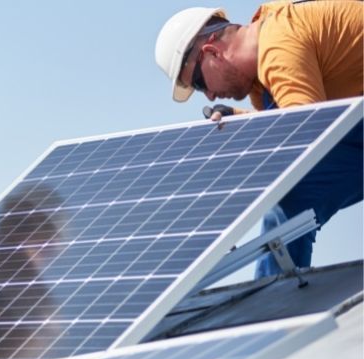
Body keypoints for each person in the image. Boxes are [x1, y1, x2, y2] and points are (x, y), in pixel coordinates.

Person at [155, 1, 363, 278]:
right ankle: (280, 300)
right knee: (293, 200)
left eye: (199, 83)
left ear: (211, 51)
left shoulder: (278, 44)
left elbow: (308, 132)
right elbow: (292, 119)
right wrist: (238, 122)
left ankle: (278, 303)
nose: (210, 96)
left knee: (291, 192)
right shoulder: (261, 77)